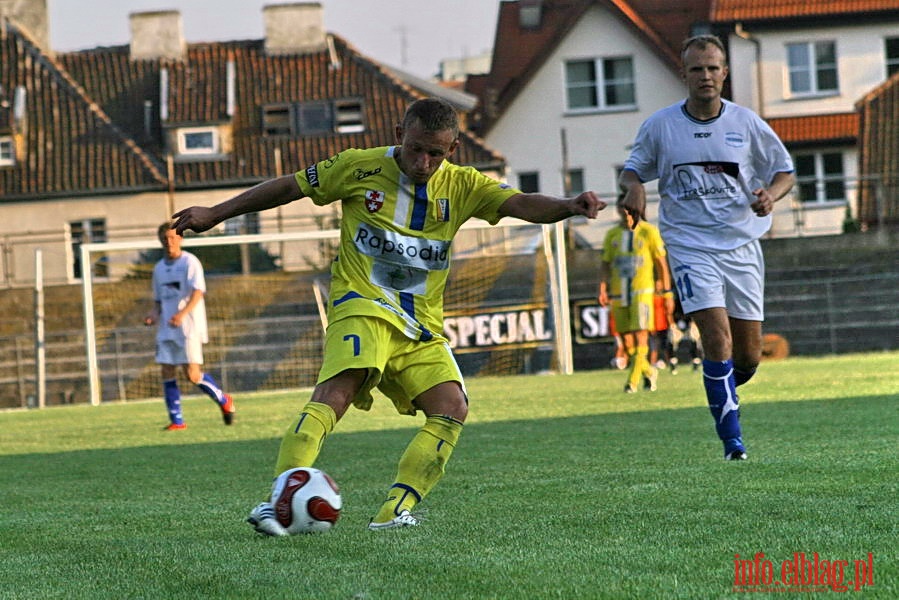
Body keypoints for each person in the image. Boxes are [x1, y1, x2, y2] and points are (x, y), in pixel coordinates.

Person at [171, 97, 606, 533]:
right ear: (400, 135)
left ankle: (393, 512)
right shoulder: (358, 167)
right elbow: (289, 187)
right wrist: (216, 213)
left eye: (435, 153)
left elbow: (523, 203)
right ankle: (277, 501)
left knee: (452, 406)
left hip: (419, 325)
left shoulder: (463, 185)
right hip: (362, 305)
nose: (423, 161)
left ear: (451, 150)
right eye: (416, 148)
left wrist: (569, 205)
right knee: (339, 391)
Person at [618, 35, 795, 460]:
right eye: (697, 69)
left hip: (742, 244)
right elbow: (631, 171)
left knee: (748, 357)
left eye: (713, 68)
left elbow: (785, 171)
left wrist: (772, 195)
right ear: (684, 74)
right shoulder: (661, 126)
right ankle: (733, 444)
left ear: (725, 73)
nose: (706, 76)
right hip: (689, 245)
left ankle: (721, 389)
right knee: (716, 340)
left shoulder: (746, 123)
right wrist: (634, 189)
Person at [145, 222, 235, 430]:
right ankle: (177, 421)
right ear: (160, 241)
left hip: (189, 327)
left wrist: (182, 314)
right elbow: (159, 301)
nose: (169, 242)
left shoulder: (190, 262)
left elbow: (197, 292)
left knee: (192, 375)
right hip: (167, 327)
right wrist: (153, 315)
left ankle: (224, 399)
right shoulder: (158, 268)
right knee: (166, 370)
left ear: (181, 239)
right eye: (165, 239)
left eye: (173, 238)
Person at [598, 199, 673, 393]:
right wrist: (603, 289)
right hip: (619, 293)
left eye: (629, 208)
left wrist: (666, 292)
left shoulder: (649, 232)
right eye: (622, 208)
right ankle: (648, 372)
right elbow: (606, 264)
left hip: (642, 292)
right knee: (626, 341)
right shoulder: (612, 234)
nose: (625, 212)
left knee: (641, 335)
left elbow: (661, 263)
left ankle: (631, 382)